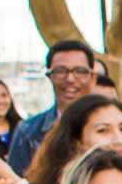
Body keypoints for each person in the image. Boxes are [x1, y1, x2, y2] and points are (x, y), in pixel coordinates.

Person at [7, 38, 99, 174]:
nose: (70, 79)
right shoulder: (28, 131)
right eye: (60, 71)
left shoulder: (115, 126)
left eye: (79, 71)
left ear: (92, 77)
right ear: (49, 76)